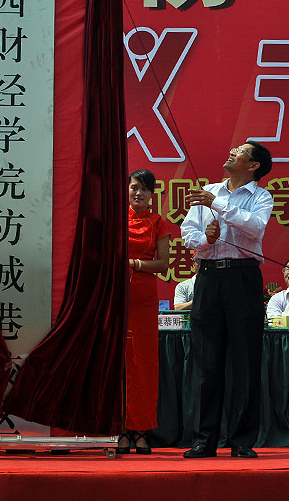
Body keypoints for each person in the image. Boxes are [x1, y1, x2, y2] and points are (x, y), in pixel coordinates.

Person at [180, 140, 274, 459]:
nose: (232, 151)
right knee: (206, 359)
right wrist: (204, 240)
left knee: (245, 359)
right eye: (232, 148)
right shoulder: (209, 190)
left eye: (241, 152)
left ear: (253, 166)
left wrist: (217, 205)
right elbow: (188, 232)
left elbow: (255, 228)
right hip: (208, 276)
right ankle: (203, 439)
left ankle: (241, 440)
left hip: (243, 276)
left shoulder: (261, 196)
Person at [120, 169, 170, 455]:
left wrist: (135, 264)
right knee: (121, 362)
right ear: (127, 190)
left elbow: (163, 265)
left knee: (144, 364)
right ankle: (121, 428)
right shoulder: (115, 220)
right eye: (134, 188)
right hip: (118, 298)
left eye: (145, 190)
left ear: (153, 195)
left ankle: (141, 430)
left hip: (145, 300)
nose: (139, 194)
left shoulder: (159, 223)